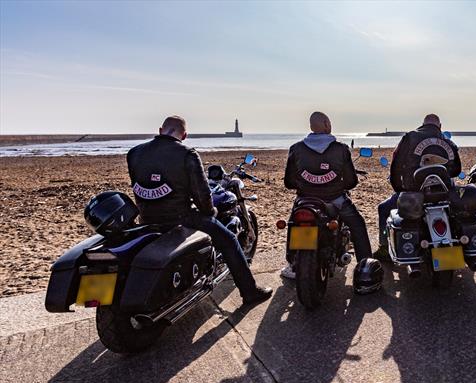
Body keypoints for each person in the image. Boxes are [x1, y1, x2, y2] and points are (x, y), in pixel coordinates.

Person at [127, 116, 272, 306]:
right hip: (181, 218)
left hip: (146, 219)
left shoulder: (134, 153)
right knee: (229, 240)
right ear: (184, 135)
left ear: (161, 129)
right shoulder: (187, 154)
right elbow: (202, 195)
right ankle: (250, 292)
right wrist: (210, 212)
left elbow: (139, 186)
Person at [281, 112, 375, 290]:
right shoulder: (341, 149)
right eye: (329, 121)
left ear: (311, 127)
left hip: (305, 199)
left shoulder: (296, 148)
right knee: (357, 224)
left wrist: (307, 183)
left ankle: (293, 262)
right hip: (335, 199)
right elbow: (351, 181)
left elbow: (289, 182)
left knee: (294, 222)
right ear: (325, 124)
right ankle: (365, 267)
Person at [373, 114, 461, 260]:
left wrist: (399, 189)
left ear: (423, 124)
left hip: (414, 193)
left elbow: (396, 164)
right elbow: (457, 170)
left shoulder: (410, 137)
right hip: (444, 195)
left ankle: (383, 248)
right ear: (440, 126)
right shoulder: (448, 141)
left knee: (383, 208)